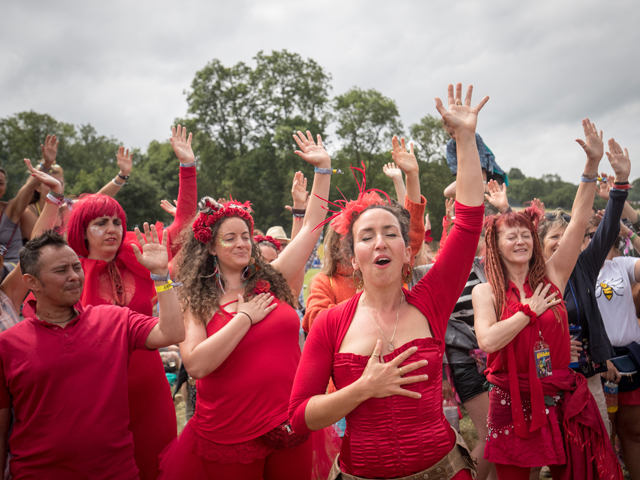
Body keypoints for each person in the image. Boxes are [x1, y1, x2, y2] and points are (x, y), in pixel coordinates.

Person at [290, 83, 487, 480]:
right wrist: (362, 388)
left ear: (406, 251)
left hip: (444, 470)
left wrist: (466, 140)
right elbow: (298, 416)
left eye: (391, 233)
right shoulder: (331, 322)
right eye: (366, 236)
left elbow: (467, 223)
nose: (380, 241)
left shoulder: (432, 299)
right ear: (353, 258)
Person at [157, 130, 333, 480]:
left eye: (246, 236)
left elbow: (312, 226)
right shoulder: (195, 299)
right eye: (230, 238)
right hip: (229, 434)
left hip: (288, 427)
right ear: (210, 247)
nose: (242, 244)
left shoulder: (275, 276)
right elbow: (195, 365)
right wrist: (243, 318)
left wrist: (323, 170)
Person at [34, 125, 198, 480]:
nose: (111, 229)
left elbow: (183, 227)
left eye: (115, 222)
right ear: (82, 230)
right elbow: (34, 250)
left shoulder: (137, 257)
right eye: (99, 223)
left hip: (148, 380)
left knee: (155, 463)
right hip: (94, 387)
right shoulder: (66, 272)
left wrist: (188, 168)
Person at [472, 120, 622, 479]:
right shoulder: (486, 291)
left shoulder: (553, 275)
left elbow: (578, 221)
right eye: (512, 236)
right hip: (510, 402)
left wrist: (590, 167)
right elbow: (488, 339)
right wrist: (528, 311)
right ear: (495, 245)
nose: (522, 241)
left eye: (526, 234)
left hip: (560, 398)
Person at [0, 226, 184, 480]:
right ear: (32, 282)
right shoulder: (8, 344)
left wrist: (162, 277)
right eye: (60, 270)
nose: (74, 276)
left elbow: (172, 333)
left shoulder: (114, 320)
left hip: (115, 472)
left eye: (76, 267)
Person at [302, 137, 427, 335]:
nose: (379, 243)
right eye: (365, 237)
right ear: (341, 247)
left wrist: (411, 177)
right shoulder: (326, 282)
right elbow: (315, 321)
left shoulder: (390, 269)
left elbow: (411, 229)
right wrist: (367, 304)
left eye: (387, 234)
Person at [19, 144, 134, 241]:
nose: (55, 186)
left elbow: (98, 198)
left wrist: (122, 175)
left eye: (59, 184)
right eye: (50, 183)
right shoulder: (28, 212)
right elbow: (39, 245)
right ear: (37, 188)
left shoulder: (66, 207)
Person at [442, 119, 506, 199]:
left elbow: (482, 160)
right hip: (469, 176)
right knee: (448, 192)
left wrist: (483, 183)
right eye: (451, 134)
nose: (454, 136)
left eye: (455, 132)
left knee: (494, 195)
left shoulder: (474, 137)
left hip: (490, 174)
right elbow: (455, 167)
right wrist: (463, 186)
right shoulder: (451, 145)